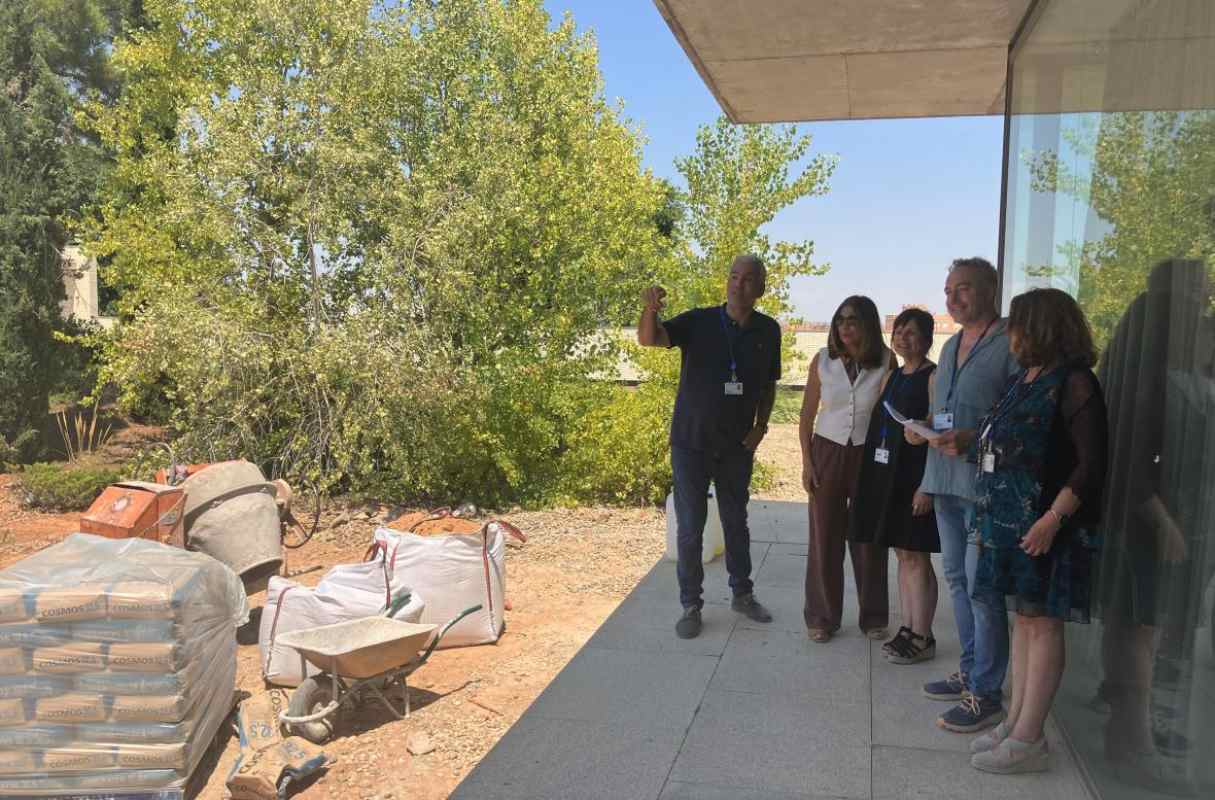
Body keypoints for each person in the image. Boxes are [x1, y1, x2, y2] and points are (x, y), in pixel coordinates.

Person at [934, 288, 1108, 774]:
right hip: (1006, 523)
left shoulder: (1074, 382)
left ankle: (1031, 739)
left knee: (1044, 624)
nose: (1011, 332)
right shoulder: (1027, 378)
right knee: (1026, 623)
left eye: (1019, 323)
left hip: (1048, 526)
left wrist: (1054, 519)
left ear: (1043, 326)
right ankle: (1015, 724)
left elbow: (1092, 465)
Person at [638, 254, 779, 640]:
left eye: (749, 279)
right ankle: (691, 604)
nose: (739, 284)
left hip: (736, 446)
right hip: (691, 444)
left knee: (736, 521)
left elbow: (769, 385)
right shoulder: (699, 321)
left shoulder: (769, 331)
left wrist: (761, 427)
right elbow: (651, 338)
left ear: (761, 288)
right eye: (734, 276)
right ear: (727, 282)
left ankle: (742, 594)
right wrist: (650, 309)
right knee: (690, 527)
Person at [912, 257, 1019, 734]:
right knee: (956, 579)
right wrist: (923, 430)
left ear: (991, 289)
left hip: (984, 489)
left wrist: (975, 437)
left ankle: (987, 693)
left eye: (964, 289)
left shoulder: (1012, 342)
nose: (953, 298)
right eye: (948, 290)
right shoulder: (951, 344)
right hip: (945, 481)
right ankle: (971, 669)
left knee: (982, 590)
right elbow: (947, 414)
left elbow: (1023, 417)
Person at [800, 295, 895, 643]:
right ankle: (822, 617)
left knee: (868, 537)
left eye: (853, 320)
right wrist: (808, 462)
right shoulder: (822, 361)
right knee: (824, 536)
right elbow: (807, 414)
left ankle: (873, 617)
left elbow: (891, 415)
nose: (845, 327)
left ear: (869, 324)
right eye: (840, 320)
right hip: (827, 450)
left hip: (868, 455)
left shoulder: (886, 361)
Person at [848, 307, 941, 664]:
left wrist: (928, 487)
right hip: (891, 478)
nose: (903, 338)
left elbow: (937, 434)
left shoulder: (934, 377)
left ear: (927, 338)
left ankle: (923, 635)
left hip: (916, 480)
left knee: (918, 557)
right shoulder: (893, 376)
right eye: (899, 331)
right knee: (902, 554)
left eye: (912, 332)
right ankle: (907, 626)